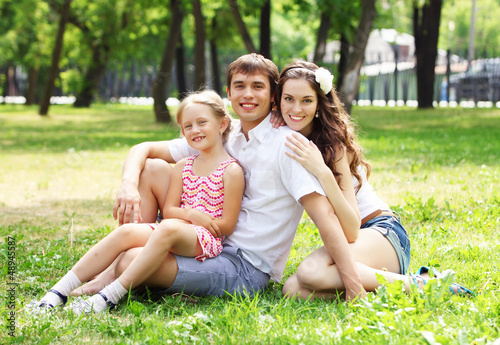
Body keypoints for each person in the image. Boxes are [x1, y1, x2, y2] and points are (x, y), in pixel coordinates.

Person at [71, 53, 366, 305]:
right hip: (207, 242)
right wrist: (127, 185)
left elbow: (325, 217)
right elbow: (143, 149)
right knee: (150, 170)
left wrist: (354, 286)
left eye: (258, 87)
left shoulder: (288, 146)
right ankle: (114, 270)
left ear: (272, 96)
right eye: (240, 86)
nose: (247, 94)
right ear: (228, 92)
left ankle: (119, 275)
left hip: (245, 267)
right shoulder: (228, 132)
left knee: (131, 261)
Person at [28, 90, 245, 314]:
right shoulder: (183, 166)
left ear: (222, 124)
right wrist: (190, 215)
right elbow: (170, 210)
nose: (195, 130)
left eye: (202, 122)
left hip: (205, 239)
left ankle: (108, 297)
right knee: (128, 232)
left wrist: (198, 221)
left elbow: (227, 225)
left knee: (168, 228)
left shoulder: (231, 170)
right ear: (182, 131)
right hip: (178, 226)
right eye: (188, 126)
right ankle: (57, 292)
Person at [271, 60, 473, 298]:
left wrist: (323, 173)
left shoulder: (333, 147)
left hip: (381, 233)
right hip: (355, 245)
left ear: (318, 104)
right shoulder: (286, 136)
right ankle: (393, 286)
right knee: (292, 290)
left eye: (306, 100)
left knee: (310, 272)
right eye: (289, 99)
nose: (296, 109)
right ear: (278, 100)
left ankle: (426, 286)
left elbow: (351, 229)